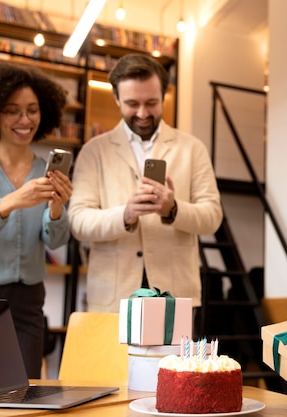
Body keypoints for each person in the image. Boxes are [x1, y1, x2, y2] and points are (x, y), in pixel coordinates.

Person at [68, 53, 222, 313]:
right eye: (132, 103)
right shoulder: (93, 151)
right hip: (112, 297)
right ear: (116, 98)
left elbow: (212, 216)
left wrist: (173, 210)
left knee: (174, 357)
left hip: (175, 295)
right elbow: (78, 222)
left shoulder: (192, 148)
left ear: (163, 96)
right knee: (111, 357)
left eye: (151, 102)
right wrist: (125, 215)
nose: (142, 113)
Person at [0, 61, 72, 378]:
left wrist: (57, 209)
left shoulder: (46, 171)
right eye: (13, 111)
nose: (25, 120)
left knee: (25, 391)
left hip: (28, 303)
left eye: (33, 110)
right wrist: (9, 203)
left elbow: (57, 241)